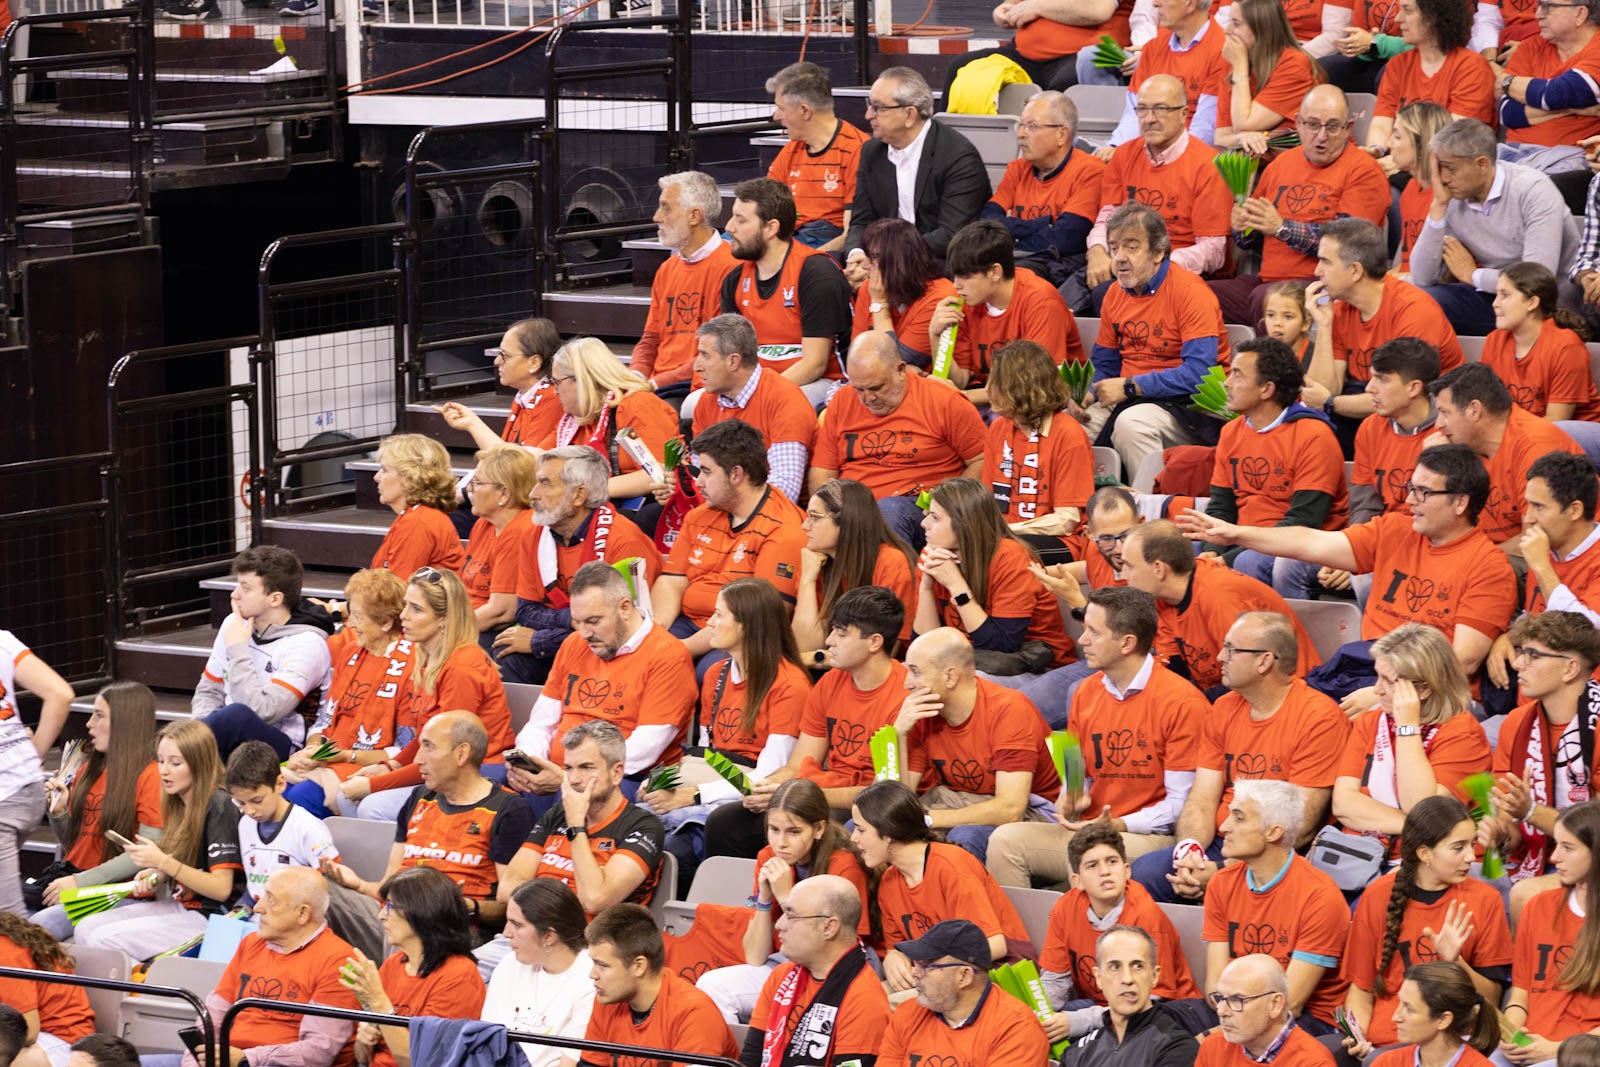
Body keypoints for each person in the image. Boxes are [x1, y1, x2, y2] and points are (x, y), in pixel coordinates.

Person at [1176, 444, 1519, 707]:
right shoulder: (1396, 530)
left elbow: (1460, 664)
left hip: (1430, 697)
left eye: (1423, 493)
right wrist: (1236, 533)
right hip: (1364, 670)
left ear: (1460, 503)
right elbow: (1310, 542)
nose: (1409, 499)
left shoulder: (1488, 566)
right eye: (1411, 487)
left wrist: (1381, 694)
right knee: (1246, 701)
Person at [986, 587, 1203, 886]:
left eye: (1093, 632)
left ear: (1127, 643)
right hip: (1092, 829)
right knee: (1005, 841)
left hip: (1148, 836)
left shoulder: (1183, 702)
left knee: (1093, 859)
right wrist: (1070, 795)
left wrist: (1119, 823)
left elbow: (1181, 805)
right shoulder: (1083, 692)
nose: (1081, 640)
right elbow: (1076, 773)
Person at [1131, 611, 1349, 904]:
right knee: (1142, 876)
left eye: (1232, 649)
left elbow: (1299, 828)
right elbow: (1202, 799)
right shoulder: (1223, 708)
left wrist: (1223, 872)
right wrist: (1190, 852)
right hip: (1223, 842)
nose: (1220, 657)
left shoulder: (1319, 718)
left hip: (1277, 855)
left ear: (1264, 661)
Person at [702, 586, 910, 861]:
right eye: (833, 630)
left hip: (862, 804)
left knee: (843, 831)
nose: (829, 640)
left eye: (842, 633)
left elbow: (884, 794)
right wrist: (768, 788)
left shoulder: (904, 695)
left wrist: (801, 796)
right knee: (725, 822)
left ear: (874, 642)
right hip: (821, 791)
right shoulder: (828, 684)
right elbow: (799, 764)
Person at [321, 712, 534, 954]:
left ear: (461, 754)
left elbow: (513, 908)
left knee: (410, 916)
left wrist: (465, 906)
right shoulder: (419, 798)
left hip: (459, 930)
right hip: (395, 917)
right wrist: (358, 885)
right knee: (314, 889)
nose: (418, 759)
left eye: (428, 747)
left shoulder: (508, 810)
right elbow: (388, 887)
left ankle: (390, 985)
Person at [644, 579, 809, 887]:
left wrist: (692, 795)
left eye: (719, 615)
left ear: (746, 625)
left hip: (746, 804)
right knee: (629, 832)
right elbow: (706, 757)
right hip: (715, 787)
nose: (710, 622)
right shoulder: (715, 675)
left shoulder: (790, 685)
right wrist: (660, 783)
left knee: (665, 850)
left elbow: (767, 779)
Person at [674, 779, 868, 1019]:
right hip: (784, 964)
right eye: (774, 830)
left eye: (794, 831)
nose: (781, 842)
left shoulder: (844, 865)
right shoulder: (768, 857)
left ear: (818, 829)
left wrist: (787, 897)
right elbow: (755, 957)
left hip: (835, 970)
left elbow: (837, 949)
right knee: (712, 986)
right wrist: (765, 899)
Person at [1340, 797, 1512, 1058]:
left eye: (1471, 844)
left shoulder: (1486, 900)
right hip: (1384, 1041)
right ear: (1424, 854)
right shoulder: (1377, 896)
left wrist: (1456, 962)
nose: (1470, 856)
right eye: (1458, 847)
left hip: (1449, 1043)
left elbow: (1492, 999)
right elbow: (1362, 990)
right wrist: (1359, 1038)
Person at [511, 562, 698, 798]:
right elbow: (541, 723)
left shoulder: (668, 657)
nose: (584, 633)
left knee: (564, 799)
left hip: (627, 780)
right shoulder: (574, 644)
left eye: (593, 621)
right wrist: (530, 764)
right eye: (578, 622)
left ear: (625, 608)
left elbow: (643, 750)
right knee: (488, 788)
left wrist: (569, 779)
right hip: (558, 773)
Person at [1210, 84, 1391, 326]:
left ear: (1348, 128)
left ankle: (1274, 365)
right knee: (1198, 297)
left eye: (1333, 126)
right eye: (1313, 124)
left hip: (1324, 287)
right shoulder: (1280, 164)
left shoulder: (1364, 171)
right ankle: (1215, 366)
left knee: (1269, 302)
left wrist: (1282, 228)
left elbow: (1349, 246)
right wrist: (1243, 226)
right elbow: (1253, 239)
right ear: (1297, 124)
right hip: (1267, 283)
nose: (1322, 136)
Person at [343, 567, 514, 822]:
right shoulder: (428, 657)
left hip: (475, 773)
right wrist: (390, 765)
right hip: (441, 767)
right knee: (345, 796)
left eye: (416, 609)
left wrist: (375, 785)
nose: (404, 617)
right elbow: (426, 738)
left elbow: (445, 756)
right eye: (405, 606)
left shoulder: (462, 668)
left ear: (444, 618)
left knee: (370, 805)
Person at [75, 719, 243, 959]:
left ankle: (138, 990)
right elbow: (180, 864)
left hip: (212, 917)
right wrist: (156, 875)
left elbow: (221, 889)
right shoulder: (177, 802)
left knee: (103, 940)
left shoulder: (219, 806)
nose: (163, 770)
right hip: (179, 907)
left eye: (175, 763)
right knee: (85, 928)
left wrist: (163, 863)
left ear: (199, 764)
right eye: (161, 761)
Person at [496, 445, 661, 687]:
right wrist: (570, 621)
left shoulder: (623, 540)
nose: (532, 493)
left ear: (579, 495)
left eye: (545, 483)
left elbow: (619, 631)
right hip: (570, 642)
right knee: (503, 658)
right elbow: (526, 611)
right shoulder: (534, 533)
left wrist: (540, 641)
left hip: (615, 654)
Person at [892, 627, 1062, 861]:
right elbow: (894, 797)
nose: (907, 683)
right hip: (959, 798)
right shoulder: (922, 712)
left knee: (965, 836)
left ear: (950, 676)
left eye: (915, 672)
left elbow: (1010, 809)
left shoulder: (1009, 710)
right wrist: (899, 734)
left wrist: (930, 819)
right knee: (869, 829)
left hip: (1033, 811)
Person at [1087, 201, 1231, 475]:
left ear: (1158, 252)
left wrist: (1131, 386)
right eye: (1114, 248)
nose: (1119, 257)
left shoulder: (1191, 293)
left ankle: (1153, 508)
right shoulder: (1113, 295)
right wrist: (1086, 394)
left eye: (1131, 247)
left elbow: (1199, 375)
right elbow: (1104, 365)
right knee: (1068, 426)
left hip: (1190, 407)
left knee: (1132, 425)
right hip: (1129, 395)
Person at [808, 331, 987, 551]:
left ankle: (895, 583)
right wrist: (835, 512)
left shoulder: (945, 401)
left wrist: (942, 504)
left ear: (901, 370)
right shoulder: (841, 403)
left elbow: (982, 459)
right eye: (859, 389)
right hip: (853, 510)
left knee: (889, 512)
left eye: (875, 388)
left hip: (919, 510)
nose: (867, 399)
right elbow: (822, 473)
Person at [850, 779, 1029, 995]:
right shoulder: (889, 882)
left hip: (991, 973)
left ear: (887, 835)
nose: (853, 838)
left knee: (889, 1007)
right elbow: (896, 947)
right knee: (867, 999)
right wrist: (893, 958)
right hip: (937, 975)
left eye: (861, 830)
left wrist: (932, 968)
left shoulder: (952, 865)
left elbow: (994, 945)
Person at [652, 419, 808, 663]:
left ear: (736, 474)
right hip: (687, 624)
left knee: (701, 674)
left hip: (739, 639)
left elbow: (759, 617)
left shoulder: (783, 530)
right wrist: (657, 633)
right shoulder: (700, 515)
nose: (698, 482)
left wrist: (679, 650)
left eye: (706, 471)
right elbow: (672, 581)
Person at [1202, 781, 1351, 1034]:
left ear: (1273, 832)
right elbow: (1215, 985)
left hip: (1305, 1021)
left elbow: (1290, 1003)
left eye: (1238, 818)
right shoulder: (1220, 883)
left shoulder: (1320, 896)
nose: (1223, 827)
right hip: (1233, 1009)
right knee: (1160, 1023)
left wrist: (1211, 1038)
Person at [1332, 624, 1492, 859]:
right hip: (1360, 855)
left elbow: (1422, 808)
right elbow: (1343, 805)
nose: (1376, 690)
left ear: (1424, 689)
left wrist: (1407, 727)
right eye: (1377, 676)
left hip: (1433, 863)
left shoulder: (1463, 735)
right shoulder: (1371, 721)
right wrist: (1420, 829)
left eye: (1388, 681)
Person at [1410, 120, 1581, 336]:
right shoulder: (1453, 197)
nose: (1443, 178)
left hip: (1548, 304)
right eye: (1440, 168)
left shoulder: (1534, 190)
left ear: (1482, 164)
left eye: (1450, 169)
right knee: (1418, 300)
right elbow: (1422, 278)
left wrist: (1474, 276)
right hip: (1497, 297)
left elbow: (1536, 281)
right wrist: (1438, 206)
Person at [1202, 337, 1349, 586]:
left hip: (1299, 545)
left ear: (1266, 389)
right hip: (1241, 540)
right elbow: (1221, 506)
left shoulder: (1314, 435)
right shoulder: (1231, 431)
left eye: (1237, 375)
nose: (1226, 383)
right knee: (1175, 549)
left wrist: (1227, 559)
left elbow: (1304, 521)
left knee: (1248, 562)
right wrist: (1211, 552)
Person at [1301, 217, 1466, 433]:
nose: (1316, 271)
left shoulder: (1413, 310)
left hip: (1424, 416)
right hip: (1370, 405)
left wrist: (1332, 402)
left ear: (1355, 271)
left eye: (1326, 262)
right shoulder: (1340, 310)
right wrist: (1323, 325)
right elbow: (1319, 393)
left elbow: (1399, 397)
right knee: (1312, 426)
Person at [1086, 75, 1234, 312]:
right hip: (1126, 262)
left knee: (1107, 294)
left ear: (1184, 114)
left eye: (1161, 109)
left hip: (1179, 270)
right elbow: (1107, 217)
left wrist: (1156, 265)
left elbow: (1214, 250)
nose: (1150, 119)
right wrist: (1096, 250)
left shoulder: (1209, 165)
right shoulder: (1123, 156)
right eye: (1142, 109)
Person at [1039, 825, 1201, 1040]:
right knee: (1042, 1028)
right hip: (1102, 1006)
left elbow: (1148, 1001)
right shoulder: (1065, 907)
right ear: (1077, 881)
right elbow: (1055, 980)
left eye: (1112, 861)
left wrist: (1080, 1021)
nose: (1105, 871)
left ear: (1127, 870)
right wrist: (1038, 1015)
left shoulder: (1146, 915)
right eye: (1092, 865)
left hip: (1162, 1013)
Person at [1120, 520, 1320, 694]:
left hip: (1281, 696)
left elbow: (1248, 674)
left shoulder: (1217, 595)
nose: (1123, 575)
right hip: (1230, 693)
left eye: (1129, 566)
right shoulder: (1164, 598)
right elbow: (1174, 670)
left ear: (1158, 569)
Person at [189, 867, 359, 1067]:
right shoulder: (250, 943)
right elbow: (213, 1016)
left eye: (271, 900)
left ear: (302, 914)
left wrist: (246, 1059)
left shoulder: (339, 960)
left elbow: (316, 1053)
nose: (258, 908)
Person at [1479, 612, 1600, 888]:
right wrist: (1502, 835)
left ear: (1570, 669)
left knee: (1524, 894)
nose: (1519, 663)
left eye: (1532, 655)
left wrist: (1531, 811)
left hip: (1591, 868)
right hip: (1533, 861)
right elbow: (1513, 827)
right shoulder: (1516, 723)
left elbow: (1596, 831)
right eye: (1521, 652)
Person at [502, 720, 666, 923]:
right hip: (529, 933)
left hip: (590, 947)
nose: (574, 779)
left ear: (616, 773)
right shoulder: (557, 815)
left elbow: (594, 900)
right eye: (569, 768)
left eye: (587, 768)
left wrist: (576, 826)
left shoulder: (643, 826)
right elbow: (508, 887)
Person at [282, 568, 415, 818]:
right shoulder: (351, 653)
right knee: (273, 792)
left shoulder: (414, 665)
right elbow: (325, 720)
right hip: (328, 759)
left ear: (386, 623)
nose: (350, 624)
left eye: (357, 617)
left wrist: (341, 756)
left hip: (369, 768)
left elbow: (405, 750)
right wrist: (312, 749)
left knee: (299, 800)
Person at [33, 680, 160, 940]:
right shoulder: (88, 769)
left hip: (111, 891)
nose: (89, 723)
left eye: (99, 716)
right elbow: (75, 846)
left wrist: (80, 883)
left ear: (126, 723)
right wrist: (58, 813)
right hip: (72, 877)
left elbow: (144, 855)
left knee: (38, 926)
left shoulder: (152, 777)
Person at [914, 478, 1075, 676]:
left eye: (935, 517)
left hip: (1034, 665)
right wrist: (926, 588)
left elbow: (1001, 645)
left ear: (964, 524)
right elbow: (923, 643)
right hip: (968, 661)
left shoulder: (1010, 557)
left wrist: (956, 584)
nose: (924, 523)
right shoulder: (932, 554)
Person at [193, 545, 335, 762]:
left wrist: (239, 650)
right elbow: (208, 690)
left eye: (245, 588)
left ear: (275, 599)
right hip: (225, 735)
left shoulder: (307, 644)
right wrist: (202, 731)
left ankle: (186, 750)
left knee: (236, 715)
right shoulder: (232, 624)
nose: (235, 595)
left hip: (283, 746)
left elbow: (261, 712)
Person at [721, 178, 855, 407]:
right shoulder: (734, 280)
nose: (729, 227)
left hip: (824, 382)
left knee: (779, 405)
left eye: (740, 220)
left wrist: (757, 397)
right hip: (761, 383)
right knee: (694, 404)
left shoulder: (816, 273)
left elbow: (815, 363)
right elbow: (732, 357)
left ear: (771, 228)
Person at [1017, 486, 1145, 719]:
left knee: (1080, 696)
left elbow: (1122, 641)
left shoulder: (1150, 564)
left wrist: (1076, 601)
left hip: (1134, 663)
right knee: (1023, 704)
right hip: (1098, 659)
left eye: (1125, 535)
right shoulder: (1098, 554)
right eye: (1106, 539)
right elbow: (1088, 569)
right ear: (1089, 535)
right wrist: (1036, 574)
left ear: (1142, 523)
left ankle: (1077, 757)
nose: (1118, 548)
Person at [339, 867, 487, 1067]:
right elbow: (363, 1059)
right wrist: (364, 1042)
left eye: (390, 906)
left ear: (422, 912)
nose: (382, 915)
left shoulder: (459, 976)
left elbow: (424, 1060)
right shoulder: (393, 964)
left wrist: (379, 1002)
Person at [737, 873, 889, 1067]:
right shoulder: (781, 976)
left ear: (829, 927)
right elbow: (751, 1058)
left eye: (791, 915)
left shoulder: (864, 998)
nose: (780, 925)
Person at [1428, 362, 1584, 550]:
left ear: (1474, 410)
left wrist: (1471, 563)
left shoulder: (1536, 446)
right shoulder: (1462, 444)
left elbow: (1536, 539)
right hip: (1492, 549)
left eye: (1445, 413)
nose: (1438, 424)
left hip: (1546, 555)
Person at [927, 219, 1082, 405]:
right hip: (990, 399)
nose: (956, 285)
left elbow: (1032, 387)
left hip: (1041, 402)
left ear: (995, 272)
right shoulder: (964, 300)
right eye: (954, 276)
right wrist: (936, 337)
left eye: (965, 276)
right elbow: (960, 379)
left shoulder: (1041, 300)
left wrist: (961, 397)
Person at [534, 336, 681, 531]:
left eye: (557, 382)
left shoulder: (639, 404)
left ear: (581, 379)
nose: (555, 391)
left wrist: (586, 491)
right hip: (594, 506)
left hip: (641, 511)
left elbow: (661, 472)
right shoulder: (573, 420)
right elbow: (537, 457)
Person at [843, 67, 990, 261]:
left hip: (936, 259)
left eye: (878, 108)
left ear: (909, 114)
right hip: (883, 258)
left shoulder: (957, 156)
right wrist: (857, 254)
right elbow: (861, 221)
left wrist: (887, 258)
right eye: (869, 105)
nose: (868, 115)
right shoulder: (871, 152)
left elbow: (952, 234)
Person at [578, 903, 739, 1066]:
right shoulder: (607, 999)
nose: (593, 975)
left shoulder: (694, 1013)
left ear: (638, 966)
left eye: (602, 965)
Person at [982, 339, 1096, 565]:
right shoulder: (998, 428)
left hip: (1060, 540)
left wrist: (1005, 531)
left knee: (1002, 555)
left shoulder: (1068, 434)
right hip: (1004, 535)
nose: (986, 390)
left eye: (995, 382)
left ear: (1020, 387)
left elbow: (1067, 521)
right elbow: (986, 503)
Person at [876, 918, 1049, 1067]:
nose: (915, 972)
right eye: (916, 963)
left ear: (964, 976)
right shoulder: (907, 1014)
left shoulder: (1016, 1030)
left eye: (926, 965)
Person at [1502, 801, 1600, 1061]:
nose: (1555, 857)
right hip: (1528, 1045)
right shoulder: (1537, 907)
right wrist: (1512, 1032)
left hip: (1581, 1055)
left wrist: (1556, 1049)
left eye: (1567, 848)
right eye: (1556, 844)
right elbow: (1521, 993)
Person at [980, 91, 1105, 286]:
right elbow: (987, 224)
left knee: (1009, 276)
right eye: (1020, 125)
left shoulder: (1090, 170)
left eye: (1032, 126)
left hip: (1057, 265)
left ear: (1061, 134)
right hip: (1017, 256)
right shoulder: (1017, 168)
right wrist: (1043, 224)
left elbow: (1066, 237)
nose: (1021, 134)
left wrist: (1012, 230)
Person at [688, 315, 817, 504]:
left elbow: (784, 491)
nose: (696, 366)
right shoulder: (706, 402)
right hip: (723, 506)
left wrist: (726, 501)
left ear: (733, 362)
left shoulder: (785, 400)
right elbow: (700, 473)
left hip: (772, 519)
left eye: (705, 356)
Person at [634, 171, 739, 399]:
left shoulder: (731, 267)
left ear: (694, 216)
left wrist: (654, 383)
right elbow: (650, 339)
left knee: (658, 427)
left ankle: (672, 438)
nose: (656, 217)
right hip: (657, 385)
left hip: (696, 385)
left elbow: (717, 352)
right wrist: (635, 377)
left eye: (666, 208)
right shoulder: (667, 269)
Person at [791, 479, 916, 657]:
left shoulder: (891, 562)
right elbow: (806, 647)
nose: (805, 526)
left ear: (847, 522)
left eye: (815, 517)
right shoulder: (813, 561)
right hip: (832, 672)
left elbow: (883, 653)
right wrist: (807, 580)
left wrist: (818, 660)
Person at [481, 879, 595, 1067]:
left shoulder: (591, 978)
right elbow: (487, 1043)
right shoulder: (508, 964)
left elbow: (570, 1064)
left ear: (549, 936)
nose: (506, 933)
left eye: (516, 924)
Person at [1362, 0, 1496, 159]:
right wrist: (1377, 150)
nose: (1398, 18)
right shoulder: (1397, 65)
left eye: (1408, 10)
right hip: (1401, 160)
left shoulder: (1472, 68)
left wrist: (1401, 159)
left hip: (1449, 167)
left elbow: (1452, 138)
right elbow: (1382, 122)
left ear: (1433, 16)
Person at [1057, 924, 1201, 1067]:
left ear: (1154, 976)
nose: (1127, 979)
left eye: (1137, 966)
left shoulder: (1177, 1049)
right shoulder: (1076, 1054)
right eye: (1115, 967)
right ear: (1098, 977)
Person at [1481, 262, 1600, 426]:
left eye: (1505, 295)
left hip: (1571, 439)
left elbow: (1557, 422)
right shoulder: (1494, 340)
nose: (1495, 303)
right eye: (1497, 294)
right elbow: (1487, 405)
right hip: (1516, 432)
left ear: (1532, 303)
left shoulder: (1566, 347)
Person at [765, 61, 867, 253]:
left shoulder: (856, 150)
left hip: (822, 242)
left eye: (781, 108)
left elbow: (850, 235)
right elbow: (763, 207)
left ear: (804, 111)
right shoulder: (792, 149)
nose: (776, 116)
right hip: (786, 236)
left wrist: (804, 262)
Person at [0, 629, 68, 915]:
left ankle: (36, 959)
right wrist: (32, 756)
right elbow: (61, 694)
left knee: (10, 924)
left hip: (3, 798)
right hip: (26, 787)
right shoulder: (2, 640)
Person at [1100, 0, 1227, 151]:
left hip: (1191, 157)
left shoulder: (1223, 51)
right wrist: (1116, 147)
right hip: (1148, 151)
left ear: (1191, 4)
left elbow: (1205, 128)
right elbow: (1134, 113)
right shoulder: (1152, 49)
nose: (1154, 3)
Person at [225, 740, 338, 907]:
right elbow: (255, 888)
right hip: (258, 918)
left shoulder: (307, 828)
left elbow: (333, 890)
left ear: (280, 784)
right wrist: (239, 910)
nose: (249, 811)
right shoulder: (245, 825)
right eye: (240, 803)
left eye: (257, 800)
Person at [434, 317, 563, 450]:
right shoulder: (525, 396)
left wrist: (473, 424)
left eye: (505, 355)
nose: (496, 361)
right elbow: (505, 459)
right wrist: (471, 423)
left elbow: (523, 464)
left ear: (534, 362)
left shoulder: (553, 397)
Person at [849, 218, 960, 369]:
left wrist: (880, 304)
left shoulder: (940, 297)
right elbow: (856, 358)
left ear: (900, 260)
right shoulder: (869, 288)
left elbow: (892, 365)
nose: (865, 265)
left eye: (874, 257)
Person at [1213, 0, 1321, 154]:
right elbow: (1221, 138)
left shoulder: (1294, 64)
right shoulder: (1233, 62)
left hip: (1302, 161)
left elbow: (1244, 124)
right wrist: (1241, 138)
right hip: (1255, 160)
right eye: (1229, 21)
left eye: (1236, 23)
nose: (1227, 30)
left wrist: (1240, 68)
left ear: (1261, 28)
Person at [1498, 0, 1600, 158]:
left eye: (1547, 6)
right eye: (1538, 5)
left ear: (1580, 13)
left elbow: (1554, 94)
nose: (1537, 15)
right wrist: (1574, 108)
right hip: (1513, 152)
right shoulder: (1530, 47)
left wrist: (1506, 82)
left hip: (1571, 160)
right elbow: (1508, 113)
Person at [1195, 955, 1338, 1066]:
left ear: (1275, 1004)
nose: (1221, 1011)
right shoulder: (1212, 1047)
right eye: (1220, 998)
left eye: (1236, 1000)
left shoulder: (1314, 1063)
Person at [1359, 962, 1500, 1067]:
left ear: (1443, 1020)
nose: (1396, 1017)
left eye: (1409, 1008)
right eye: (1400, 1003)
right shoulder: (1386, 1063)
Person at [1514, 450, 1600, 620]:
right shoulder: (1545, 547)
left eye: (1539, 507)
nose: (1528, 519)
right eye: (1528, 505)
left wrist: (1542, 568)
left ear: (1574, 510)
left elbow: (1586, 631)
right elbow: (1533, 615)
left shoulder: (1541, 558)